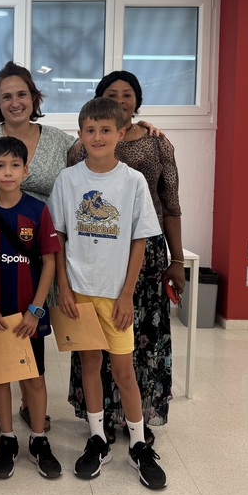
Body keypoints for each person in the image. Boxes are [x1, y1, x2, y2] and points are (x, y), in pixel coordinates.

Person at [48, 97, 166, 489]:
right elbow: (58, 237)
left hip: (115, 296)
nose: (97, 137)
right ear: (80, 134)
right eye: (90, 130)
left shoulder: (132, 181)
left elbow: (138, 240)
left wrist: (127, 294)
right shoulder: (68, 180)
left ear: (121, 132)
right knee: (89, 364)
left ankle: (138, 443)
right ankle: (98, 438)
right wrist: (64, 288)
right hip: (78, 293)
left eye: (105, 130)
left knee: (123, 370)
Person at [65, 71, 185, 445]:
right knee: (92, 351)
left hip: (141, 255)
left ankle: (138, 418)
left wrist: (177, 259)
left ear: (137, 100)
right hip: (92, 260)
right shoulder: (78, 152)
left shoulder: (156, 142)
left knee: (140, 341)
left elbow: (170, 203)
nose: (120, 99)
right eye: (111, 94)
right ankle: (99, 421)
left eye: (127, 94)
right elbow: (69, 215)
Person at [0, 61, 76, 435]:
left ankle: (31, 405)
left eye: (22, 94)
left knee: (33, 335)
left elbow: (99, 149)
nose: (15, 102)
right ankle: (4, 409)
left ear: (34, 97)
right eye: (6, 96)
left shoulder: (61, 141)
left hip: (42, 249)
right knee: (1, 336)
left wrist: (139, 127)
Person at [0, 136, 62, 479]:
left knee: (34, 378)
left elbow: (50, 262)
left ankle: (39, 439)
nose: (7, 172)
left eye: (14, 165)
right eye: (0, 166)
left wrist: (36, 310)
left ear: (26, 170)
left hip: (29, 316)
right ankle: (7, 439)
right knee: (1, 377)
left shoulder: (38, 211)